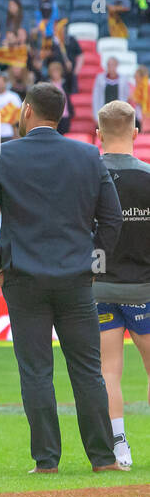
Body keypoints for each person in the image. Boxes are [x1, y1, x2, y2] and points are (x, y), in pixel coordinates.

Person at [0, 83, 123, 474]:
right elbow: (112, 219)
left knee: (36, 370)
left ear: (26, 111)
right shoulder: (89, 155)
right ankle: (103, 458)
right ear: (61, 114)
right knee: (87, 369)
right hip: (76, 279)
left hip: (23, 278)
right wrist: (96, 264)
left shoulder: (3, 155)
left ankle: (46, 460)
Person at [92, 100, 150, 469]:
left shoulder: (87, 177)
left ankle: (118, 447)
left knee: (108, 371)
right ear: (135, 132)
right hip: (144, 290)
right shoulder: (148, 176)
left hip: (99, 288)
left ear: (97, 135)